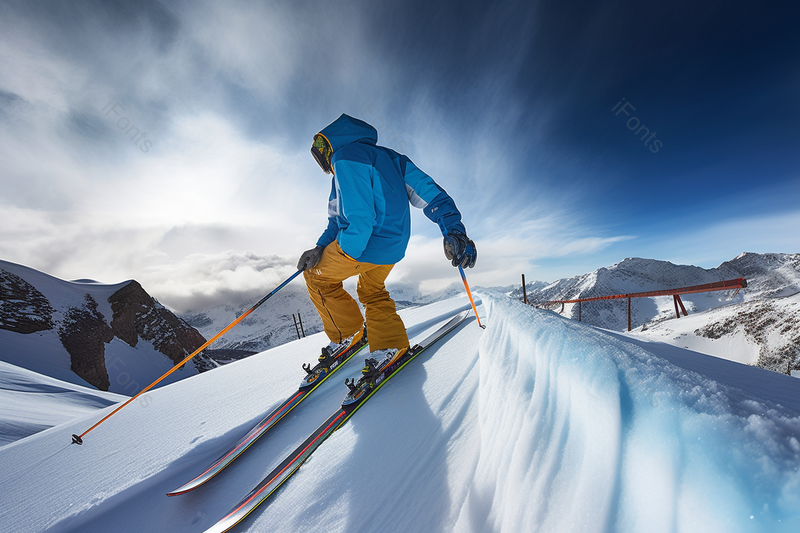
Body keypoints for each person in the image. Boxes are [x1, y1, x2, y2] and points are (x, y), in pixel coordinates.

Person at [297, 114, 476, 375]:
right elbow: (431, 194)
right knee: (372, 292)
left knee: (316, 278)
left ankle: (348, 335)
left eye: (321, 150)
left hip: (361, 244)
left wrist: (345, 249)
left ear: (331, 142)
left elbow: (357, 216)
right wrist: (454, 230)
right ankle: (390, 344)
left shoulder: (344, 157)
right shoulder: (393, 159)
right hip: (393, 248)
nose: (323, 160)